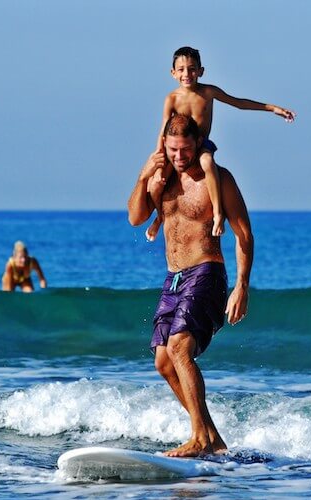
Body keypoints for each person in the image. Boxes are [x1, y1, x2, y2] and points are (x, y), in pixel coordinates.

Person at [128, 114, 254, 457]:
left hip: (207, 271)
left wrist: (242, 285)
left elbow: (244, 233)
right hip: (174, 278)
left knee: (180, 347)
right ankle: (212, 440)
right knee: (164, 362)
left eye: (184, 149)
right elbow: (136, 217)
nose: (179, 157)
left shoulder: (218, 180)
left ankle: (198, 438)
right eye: (172, 150)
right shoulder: (162, 179)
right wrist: (143, 177)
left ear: (198, 144)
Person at [144, 46, 294, 242]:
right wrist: (159, 154)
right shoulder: (171, 98)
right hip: (179, 148)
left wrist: (272, 108)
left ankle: (217, 214)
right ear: (173, 73)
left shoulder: (209, 92)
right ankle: (159, 217)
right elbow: (164, 128)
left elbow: (239, 103)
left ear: (201, 71)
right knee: (156, 182)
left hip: (202, 145)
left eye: (191, 68)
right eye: (181, 69)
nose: (186, 74)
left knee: (207, 163)